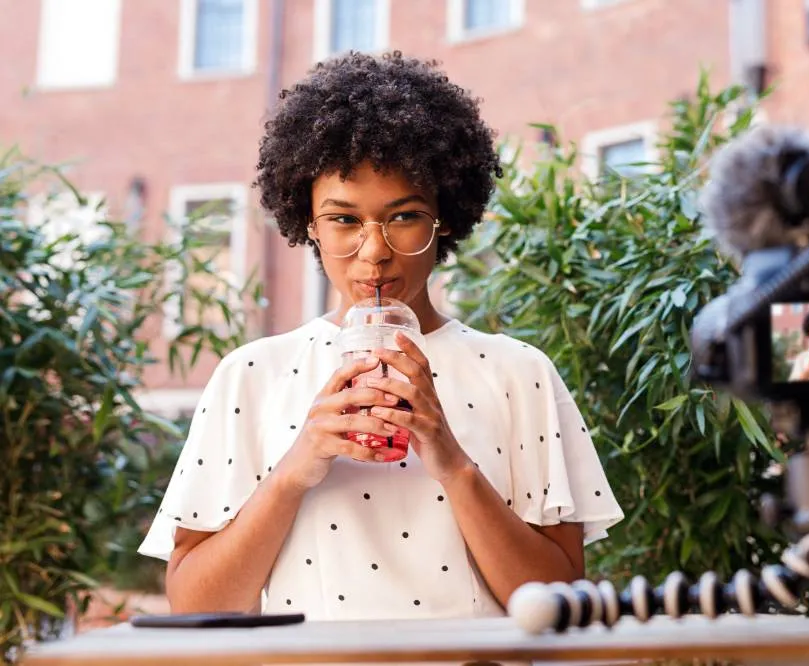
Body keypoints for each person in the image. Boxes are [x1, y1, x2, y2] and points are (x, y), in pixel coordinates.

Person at [138, 51, 624, 621]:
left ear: (445, 218)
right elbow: (196, 604)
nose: (374, 252)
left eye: (403, 216)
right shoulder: (251, 376)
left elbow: (559, 602)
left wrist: (451, 460)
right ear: (308, 225)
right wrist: (295, 468)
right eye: (344, 220)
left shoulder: (519, 373)